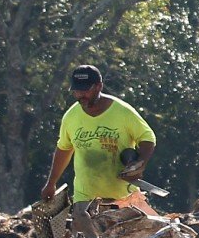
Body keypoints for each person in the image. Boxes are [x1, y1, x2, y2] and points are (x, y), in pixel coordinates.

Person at [41, 65, 157, 205]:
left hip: (124, 196)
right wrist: (51, 183)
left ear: (99, 86)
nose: (81, 95)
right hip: (85, 196)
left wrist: (139, 164)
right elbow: (64, 149)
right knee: (82, 222)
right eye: (77, 91)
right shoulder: (71, 116)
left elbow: (147, 138)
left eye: (85, 90)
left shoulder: (122, 112)